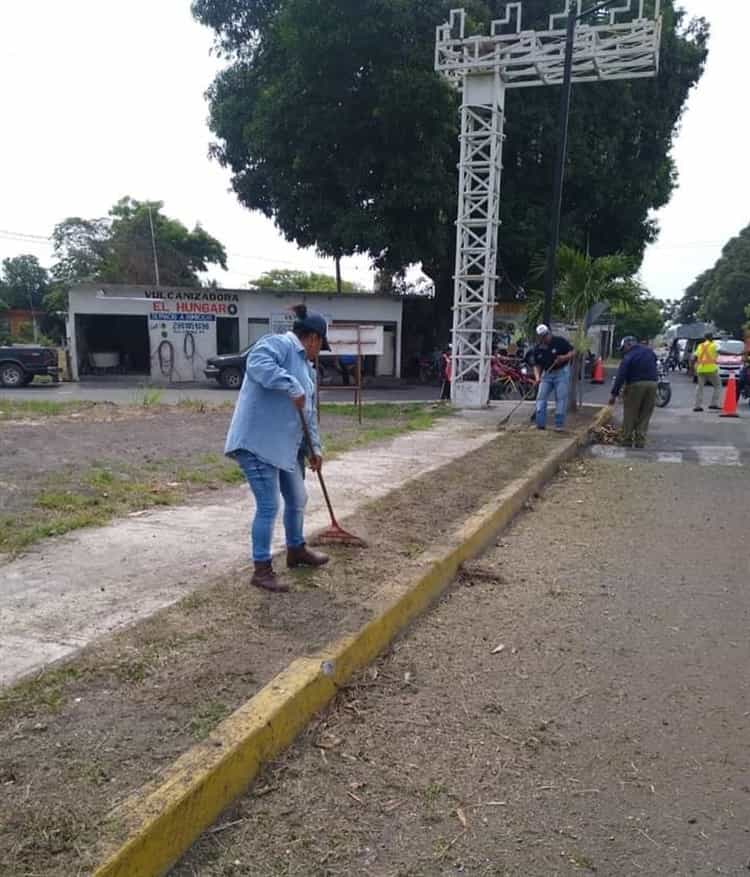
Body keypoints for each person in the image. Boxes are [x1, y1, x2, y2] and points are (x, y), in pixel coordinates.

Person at [225, 305, 330, 593]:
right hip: (257, 443)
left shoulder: (307, 370)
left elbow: (307, 415)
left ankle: (296, 550)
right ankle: (261, 569)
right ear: (313, 339)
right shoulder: (279, 344)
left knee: (298, 498)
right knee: (269, 504)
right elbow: (256, 364)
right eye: (320, 346)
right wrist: (289, 384)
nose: (317, 353)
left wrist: (315, 449)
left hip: (284, 448)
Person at [608, 336, 658, 448]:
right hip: (653, 385)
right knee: (645, 414)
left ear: (628, 344)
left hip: (636, 385)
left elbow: (621, 376)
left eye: (623, 348)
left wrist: (614, 394)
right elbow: (655, 362)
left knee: (630, 412)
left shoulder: (629, 355)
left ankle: (627, 440)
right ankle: (640, 441)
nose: (623, 351)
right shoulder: (649, 351)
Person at [532, 324, 576, 431]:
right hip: (547, 374)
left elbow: (573, 352)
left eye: (546, 335)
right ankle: (540, 424)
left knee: (560, 398)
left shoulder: (559, 341)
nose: (544, 338)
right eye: (542, 336)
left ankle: (559, 424)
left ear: (549, 333)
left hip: (561, 372)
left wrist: (564, 357)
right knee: (541, 398)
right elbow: (537, 365)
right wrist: (537, 377)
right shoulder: (538, 348)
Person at [693, 331, 721, 412]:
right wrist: (734, 354)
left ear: (705, 338)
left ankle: (697, 406)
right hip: (711, 369)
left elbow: (694, 357)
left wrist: (692, 367)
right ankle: (713, 404)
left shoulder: (700, 346)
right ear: (711, 337)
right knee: (718, 385)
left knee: (699, 387)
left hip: (700, 369)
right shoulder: (713, 345)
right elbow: (720, 351)